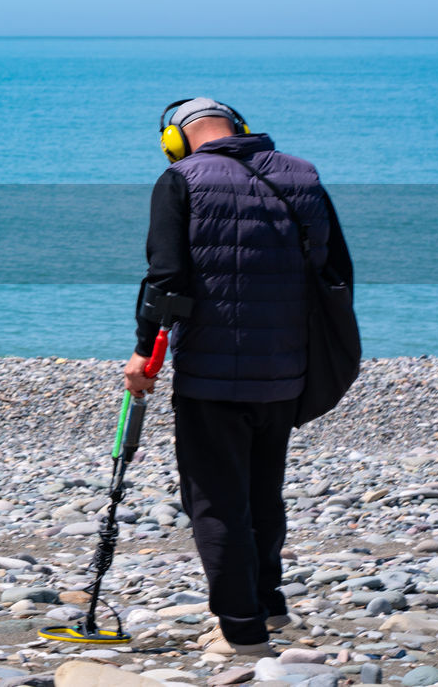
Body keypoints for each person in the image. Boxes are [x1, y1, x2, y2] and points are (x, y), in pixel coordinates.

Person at [124, 97, 352, 657]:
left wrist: (143, 357)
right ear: (242, 128)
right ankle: (268, 605)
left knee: (217, 501)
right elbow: (336, 271)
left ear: (173, 141)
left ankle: (241, 630)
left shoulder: (180, 179)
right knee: (262, 490)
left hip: (211, 375)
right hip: (286, 369)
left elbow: (166, 280)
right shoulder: (304, 175)